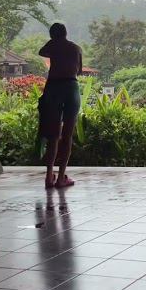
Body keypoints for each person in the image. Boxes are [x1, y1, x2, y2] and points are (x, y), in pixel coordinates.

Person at [37, 22, 82, 188]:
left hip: (53, 88)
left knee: (53, 135)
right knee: (67, 134)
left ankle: (49, 176)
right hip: (71, 86)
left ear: (52, 36)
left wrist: (53, 44)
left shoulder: (52, 46)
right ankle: (61, 177)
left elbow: (41, 51)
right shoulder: (76, 48)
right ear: (66, 33)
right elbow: (79, 71)